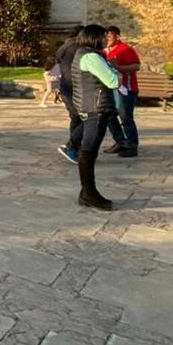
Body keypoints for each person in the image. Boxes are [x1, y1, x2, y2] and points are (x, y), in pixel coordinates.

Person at [70, 24, 122, 210]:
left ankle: (88, 192)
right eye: (103, 36)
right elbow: (113, 81)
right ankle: (88, 193)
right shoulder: (91, 57)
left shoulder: (82, 54)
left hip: (91, 107)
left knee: (89, 151)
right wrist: (116, 72)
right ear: (94, 37)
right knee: (89, 151)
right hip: (96, 109)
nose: (106, 39)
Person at [104, 26, 140, 158]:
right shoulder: (103, 51)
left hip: (126, 90)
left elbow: (136, 66)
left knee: (125, 118)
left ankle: (132, 145)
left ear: (117, 36)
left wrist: (117, 67)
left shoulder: (125, 49)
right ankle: (120, 142)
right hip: (110, 90)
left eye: (110, 35)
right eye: (105, 35)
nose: (107, 38)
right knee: (109, 116)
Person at [55, 25, 85, 165]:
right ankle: (71, 146)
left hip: (66, 88)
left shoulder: (64, 47)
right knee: (87, 119)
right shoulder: (77, 49)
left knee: (76, 118)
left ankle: (76, 147)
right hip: (74, 88)